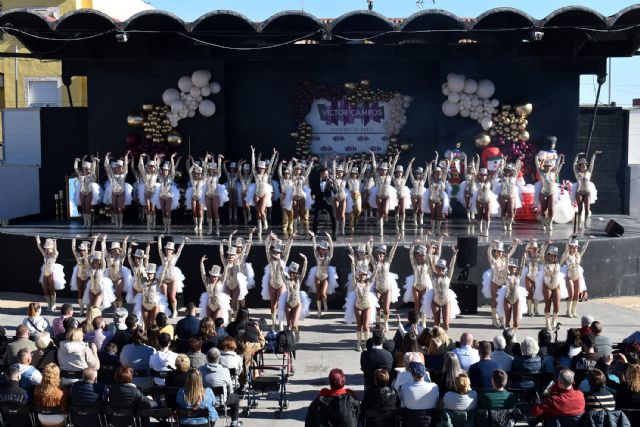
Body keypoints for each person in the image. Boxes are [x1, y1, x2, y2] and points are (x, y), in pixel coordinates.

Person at [199, 348, 242, 427]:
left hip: (204, 401)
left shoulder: (200, 370)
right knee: (235, 397)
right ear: (219, 358)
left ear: (207, 358)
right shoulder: (225, 371)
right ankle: (234, 423)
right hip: (221, 401)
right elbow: (230, 390)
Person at [482, 240, 519, 328]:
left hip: (503, 283)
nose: (500, 253)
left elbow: (511, 252)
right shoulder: (493, 261)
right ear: (494, 252)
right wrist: (492, 244)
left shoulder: (505, 259)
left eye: (501, 252)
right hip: (495, 282)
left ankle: (502, 318)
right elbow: (488, 252)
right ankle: (495, 319)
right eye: (498, 251)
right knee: (494, 301)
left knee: (502, 301)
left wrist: (514, 243)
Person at [421, 249, 460, 331]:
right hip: (435, 301)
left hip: (446, 301)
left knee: (446, 325)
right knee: (436, 324)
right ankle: (436, 339)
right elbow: (429, 263)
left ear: (444, 269)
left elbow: (452, 266)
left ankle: (444, 339)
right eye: (438, 267)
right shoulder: (433, 276)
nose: (440, 269)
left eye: (442, 268)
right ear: (436, 268)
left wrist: (454, 255)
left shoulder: (448, 276)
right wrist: (428, 252)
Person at [277, 255, 311, 342]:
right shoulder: (286, 280)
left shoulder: (299, 280)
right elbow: (281, 271)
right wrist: (278, 261)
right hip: (288, 303)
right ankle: (289, 339)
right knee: (288, 324)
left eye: (293, 272)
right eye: (290, 272)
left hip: (297, 304)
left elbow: (304, 271)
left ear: (296, 273)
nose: (291, 274)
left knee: (294, 324)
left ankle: (296, 332)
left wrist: (305, 260)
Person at [535, 243, 568, 331]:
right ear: (548, 255)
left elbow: (565, 254)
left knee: (557, 306)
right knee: (548, 304)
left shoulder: (558, 264)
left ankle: (554, 320)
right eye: (551, 255)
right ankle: (547, 322)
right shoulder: (545, 263)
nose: (553, 257)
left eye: (554, 255)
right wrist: (545, 244)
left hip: (556, 286)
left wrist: (568, 241)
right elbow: (541, 254)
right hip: (547, 286)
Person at [371, 240, 401, 331]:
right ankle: (378, 324)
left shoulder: (388, 262)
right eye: (379, 253)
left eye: (383, 253)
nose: (381, 255)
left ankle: (385, 322)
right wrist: (370, 243)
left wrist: (396, 241)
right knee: (377, 308)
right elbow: (369, 253)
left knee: (386, 309)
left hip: (387, 288)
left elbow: (393, 251)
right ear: (377, 253)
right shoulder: (374, 263)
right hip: (377, 288)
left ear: (385, 254)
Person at [306, 232, 338, 317]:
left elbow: (332, 248)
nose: (324, 250)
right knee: (318, 294)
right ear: (319, 249)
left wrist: (329, 238)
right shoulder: (316, 255)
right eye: (322, 249)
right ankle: (319, 311)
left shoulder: (328, 256)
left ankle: (325, 302)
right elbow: (314, 246)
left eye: (325, 249)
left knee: (323, 293)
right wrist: (313, 238)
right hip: (317, 276)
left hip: (325, 276)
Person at [157, 235, 187, 319]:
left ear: (172, 250)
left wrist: (183, 241)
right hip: (164, 279)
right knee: (164, 296)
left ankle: (174, 311)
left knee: (172, 297)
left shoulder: (174, 257)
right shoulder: (163, 257)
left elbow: (180, 250)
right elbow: (159, 248)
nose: (168, 251)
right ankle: (164, 312)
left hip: (172, 279)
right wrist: (159, 238)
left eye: (170, 249)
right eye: (167, 249)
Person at [133, 263, 170, 331]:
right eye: (148, 273)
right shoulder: (143, 280)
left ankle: (155, 339)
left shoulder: (157, 281)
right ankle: (146, 340)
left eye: (151, 273)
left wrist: (165, 265)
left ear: (154, 273)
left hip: (154, 305)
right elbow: (137, 286)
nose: (149, 275)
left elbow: (162, 275)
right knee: (146, 325)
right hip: (145, 305)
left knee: (154, 324)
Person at [561, 236, 591, 318]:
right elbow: (566, 246)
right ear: (570, 248)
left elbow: (584, 248)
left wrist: (587, 240)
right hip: (570, 276)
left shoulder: (578, 255)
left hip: (577, 276)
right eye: (573, 248)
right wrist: (570, 237)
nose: (575, 249)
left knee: (577, 295)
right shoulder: (567, 255)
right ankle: (568, 311)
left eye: (576, 248)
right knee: (571, 294)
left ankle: (574, 311)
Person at [403, 242, 432, 327]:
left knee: (424, 303)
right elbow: (411, 256)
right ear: (417, 256)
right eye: (419, 255)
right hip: (416, 286)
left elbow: (429, 257)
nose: (420, 257)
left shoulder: (426, 264)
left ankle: (423, 321)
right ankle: (416, 321)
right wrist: (412, 245)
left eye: (422, 255)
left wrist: (429, 250)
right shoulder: (414, 264)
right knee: (417, 304)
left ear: (424, 256)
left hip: (425, 286)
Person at [535, 153, 565, 231]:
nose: (547, 167)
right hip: (543, 193)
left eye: (549, 166)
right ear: (544, 166)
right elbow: (537, 165)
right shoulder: (541, 172)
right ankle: (543, 224)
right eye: (546, 166)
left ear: (551, 167)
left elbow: (557, 165)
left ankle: (550, 223)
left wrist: (559, 157)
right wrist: (536, 157)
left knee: (551, 209)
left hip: (551, 193)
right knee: (543, 209)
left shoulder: (553, 173)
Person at [497, 256, 528, 329]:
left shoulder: (518, 276)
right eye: (511, 267)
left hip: (516, 299)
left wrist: (524, 257)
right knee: (507, 321)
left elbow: (522, 266)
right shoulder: (506, 276)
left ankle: (513, 336)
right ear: (508, 267)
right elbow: (505, 266)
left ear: (516, 269)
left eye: (514, 267)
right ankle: (507, 336)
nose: (513, 268)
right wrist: (507, 257)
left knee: (516, 323)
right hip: (507, 299)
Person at [572, 151, 601, 229]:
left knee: (587, 209)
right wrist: (577, 156)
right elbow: (574, 165)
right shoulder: (577, 172)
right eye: (583, 164)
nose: (584, 165)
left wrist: (594, 154)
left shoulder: (589, 172)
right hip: (579, 192)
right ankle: (578, 224)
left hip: (587, 192)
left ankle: (585, 222)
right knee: (580, 208)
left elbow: (592, 163)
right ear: (580, 165)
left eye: (585, 164)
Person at [198, 260, 232, 324]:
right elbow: (202, 273)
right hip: (209, 305)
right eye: (213, 276)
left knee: (216, 323)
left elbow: (225, 272)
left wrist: (227, 264)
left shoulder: (221, 281)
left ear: (218, 276)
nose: (214, 278)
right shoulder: (207, 282)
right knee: (209, 323)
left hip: (218, 306)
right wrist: (201, 262)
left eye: (216, 276)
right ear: (210, 275)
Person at [425, 154, 451, 235]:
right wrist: (429, 165)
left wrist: (447, 163)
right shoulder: (430, 180)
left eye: (439, 173)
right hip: (432, 199)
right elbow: (428, 173)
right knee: (433, 214)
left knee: (439, 215)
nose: (437, 174)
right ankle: (432, 230)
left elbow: (446, 172)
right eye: (436, 172)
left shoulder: (442, 180)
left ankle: (438, 230)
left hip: (440, 199)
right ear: (434, 173)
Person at [104, 235, 132, 309]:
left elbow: (124, 251)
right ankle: (116, 309)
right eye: (113, 249)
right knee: (112, 294)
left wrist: (125, 241)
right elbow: (104, 250)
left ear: (118, 250)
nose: (114, 250)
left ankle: (119, 309)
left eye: (116, 249)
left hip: (119, 277)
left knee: (118, 294)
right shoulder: (108, 257)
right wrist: (104, 240)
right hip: (110, 277)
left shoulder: (120, 257)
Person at [495, 158, 522, 231]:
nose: (508, 172)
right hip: (503, 195)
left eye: (509, 170)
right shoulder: (502, 176)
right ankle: (504, 224)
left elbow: (517, 168)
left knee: (510, 210)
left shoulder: (514, 177)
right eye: (506, 170)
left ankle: (509, 224)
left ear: (512, 171)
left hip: (511, 195)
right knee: (503, 210)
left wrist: (518, 161)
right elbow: (500, 170)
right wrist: (502, 162)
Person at [71, 237, 96, 316]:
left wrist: (95, 239)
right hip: (79, 276)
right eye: (81, 250)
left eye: (84, 250)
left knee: (88, 292)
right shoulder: (78, 255)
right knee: (80, 292)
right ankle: (81, 309)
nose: (82, 251)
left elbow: (93, 248)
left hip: (88, 276)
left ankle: (88, 308)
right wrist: (74, 238)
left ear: (87, 250)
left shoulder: (90, 256)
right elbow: (73, 249)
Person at [311, 166, 337, 238]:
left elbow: (335, 191)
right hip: (319, 201)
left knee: (333, 218)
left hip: (329, 201)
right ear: (321, 174)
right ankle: (314, 234)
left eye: (327, 174)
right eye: (325, 174)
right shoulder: (315, 180)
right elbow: (312, 191)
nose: (326, 175)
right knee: (316, 218)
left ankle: (334, 234)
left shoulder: (331, 180)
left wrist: (331, 185)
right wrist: (312, 195)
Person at [137, 153, 160, 231]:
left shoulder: (156, 174)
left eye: (152, 166)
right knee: (148, 208)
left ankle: (153, 223)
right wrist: (140, 157)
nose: (151, 167)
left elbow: (157, 167)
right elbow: (141, 166)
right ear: (148, 167)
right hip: (146, 192)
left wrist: (155, 158)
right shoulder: (144, 174)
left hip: (153, 193)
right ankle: (148, 224)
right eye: (149, 166)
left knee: (153, 209)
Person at [522, 239, 542, 317]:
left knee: (536, 293)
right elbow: (525, 252)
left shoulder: (539, 257)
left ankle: (535, 309)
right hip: (529, 276)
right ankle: (529, 310)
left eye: (535, 248)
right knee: (530, 294)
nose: (534, 250)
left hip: (536, 277)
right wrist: (529, 245)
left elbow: (542, 254)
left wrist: (539, 251)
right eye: (532, 248)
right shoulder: (527, 257)